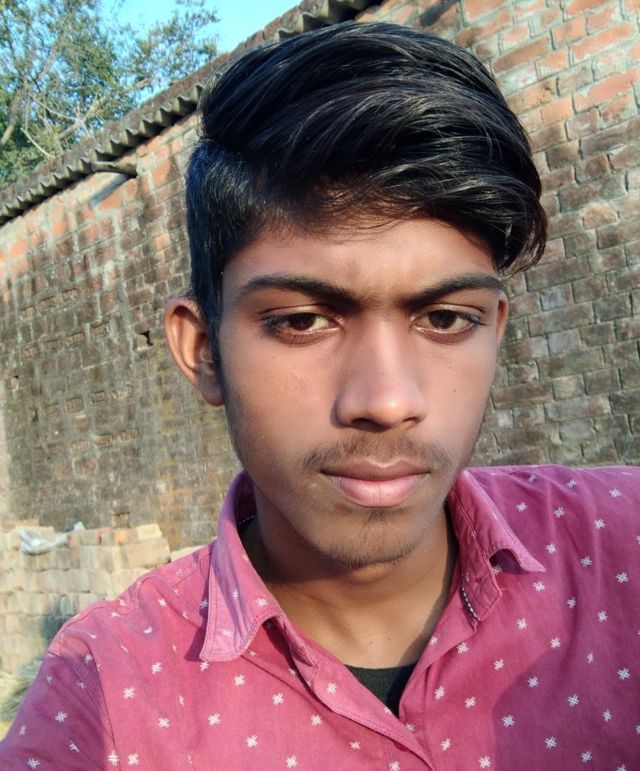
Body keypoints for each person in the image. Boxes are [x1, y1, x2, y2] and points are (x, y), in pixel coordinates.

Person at [2, 21, 638, 770]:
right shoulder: (103, 694)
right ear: (203, 351)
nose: (387, 400)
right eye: (303, 321)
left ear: (494, 328)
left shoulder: (622, 542)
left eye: (444, 319)